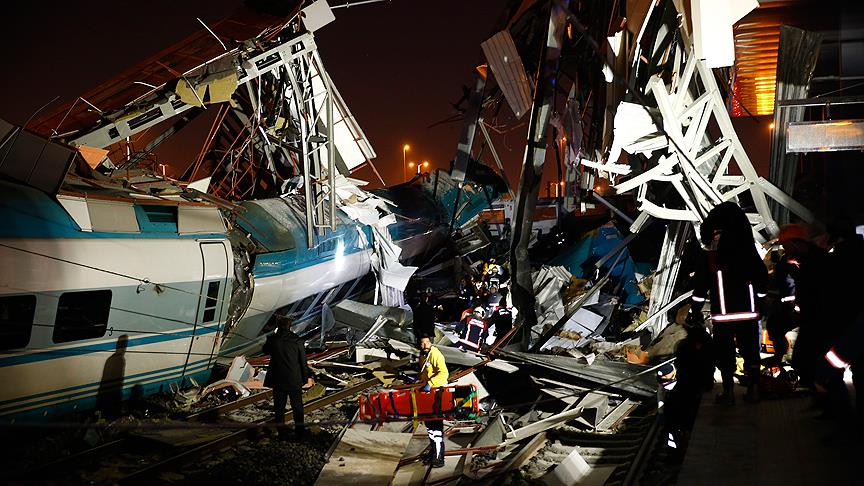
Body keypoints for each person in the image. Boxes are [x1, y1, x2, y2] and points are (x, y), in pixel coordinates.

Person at [688, 202, 768, 405]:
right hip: (748, 314)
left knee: (725, 354)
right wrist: (760, 301)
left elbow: (700, 287)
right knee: (751, 352)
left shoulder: (712, 258)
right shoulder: (748, 253)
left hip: (722, 316)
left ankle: (728, 393)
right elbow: (761, 278)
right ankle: (753, 390)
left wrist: (695, 310)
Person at [263, 322, 315, 439]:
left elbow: (265, 351)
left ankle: (281, 432)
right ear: (289, 326)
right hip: (294, 379)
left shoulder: (273, 339)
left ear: (278, 327)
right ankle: (300, 431)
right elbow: (302, 361)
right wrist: (305, 377)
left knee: (279, 408)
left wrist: (269, 335)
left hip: (278, 379)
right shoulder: (297, 340)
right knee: (297, 406)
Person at [417, 337, 448, 468]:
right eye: (422, 343)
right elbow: (424, 373)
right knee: (430, 427)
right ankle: (434, 451)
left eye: (427, 342)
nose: (425, 345)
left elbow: (444, 373)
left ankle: (439, 457)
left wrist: (430, 383)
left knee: (436, 428)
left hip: (437, 395)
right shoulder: (423, 356)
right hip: (428, 396)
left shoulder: (435, 354)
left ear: (431, 343)